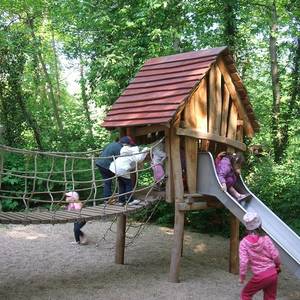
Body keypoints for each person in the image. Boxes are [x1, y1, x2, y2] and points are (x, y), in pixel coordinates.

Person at [239, 212, 281, 300]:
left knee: (246, 294)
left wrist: (242, 276)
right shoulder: (266, 238)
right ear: (260, 224)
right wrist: (277, 265)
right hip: (273, 273)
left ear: (247, 227)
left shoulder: (244, 243)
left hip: (260, 275)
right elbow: (275, 255)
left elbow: (243, 262)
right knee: (270, 297)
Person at [95, 136, 136, 202]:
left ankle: (108, 198)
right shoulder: (121, 149)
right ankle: (126, 198)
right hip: (108, 165)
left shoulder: (112, 144)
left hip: (100, 163)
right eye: (128, 144)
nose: (129, 146)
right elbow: (123, 161)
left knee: (107, 181)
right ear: (125, 144)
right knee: (123, 180)